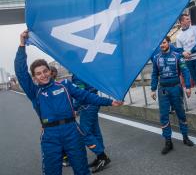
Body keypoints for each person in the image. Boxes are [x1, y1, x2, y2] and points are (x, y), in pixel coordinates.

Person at [14, 30, 123, 175]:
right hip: (50, 135)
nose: (43, 75)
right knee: (51, 171)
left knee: (82, 170)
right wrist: (22, 45)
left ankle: (99, 156)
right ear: (34, 77)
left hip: (72, 131)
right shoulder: (34, 92)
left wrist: (109, 102)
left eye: (45, 71)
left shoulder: (65, 85)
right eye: (38, 73)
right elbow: (21, 73)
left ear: (49, 72)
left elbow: (86, 96)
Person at [151, 36, 194, 154]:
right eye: (160, 43)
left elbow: (185, 71)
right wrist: (153, 89)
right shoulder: (156, 58)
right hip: (163, 89)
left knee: (181, 113)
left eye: (164, 42)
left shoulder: (177, 56)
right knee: (164, 116)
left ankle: (185, 137)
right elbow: (154, 74)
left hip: (176, 88)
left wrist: (188, 87)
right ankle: (168, 141)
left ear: (169, 43)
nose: (162, 45)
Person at [72, 75, 111, 173]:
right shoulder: (85, 70)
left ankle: (102, 157)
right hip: (94, 102)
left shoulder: (77, 75)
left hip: (87, 105)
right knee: (95, 130)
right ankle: (100, 156)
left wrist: (75, 108)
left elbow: (80, 94)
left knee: (84, 133)